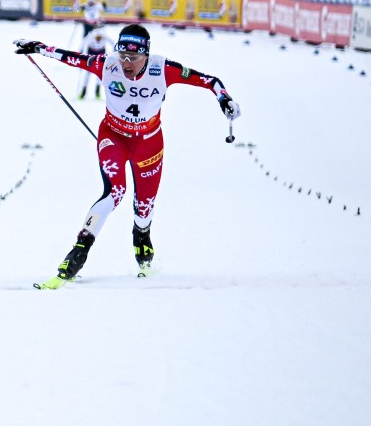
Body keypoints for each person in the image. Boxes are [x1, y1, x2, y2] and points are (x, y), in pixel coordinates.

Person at [13, 24, 240, 289]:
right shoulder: (107, 64)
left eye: (133, 57)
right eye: (122, 55)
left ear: (146, 55)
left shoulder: (163, 69)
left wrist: (224, 100)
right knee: (115, 191)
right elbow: (72, 58)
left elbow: (211, 81)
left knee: (144, 206)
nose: (126, 63)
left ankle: (141, 236)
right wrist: (38, 48)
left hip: (148, 144)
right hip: (114, 137)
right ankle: (78, 252)